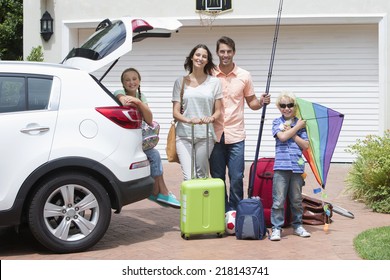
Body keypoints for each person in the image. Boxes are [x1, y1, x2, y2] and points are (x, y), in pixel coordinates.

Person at [209, 36, 271, 211]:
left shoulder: (244, 76)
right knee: (217, 177)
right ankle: (221, 212)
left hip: (236, 135)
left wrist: (261, 101)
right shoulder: (210, 74)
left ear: (234, 52)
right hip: (214, 135)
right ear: (217, 52)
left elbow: (252, 104)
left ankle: (235, 213)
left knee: (236, 177)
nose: (225, 55)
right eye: (222, 51)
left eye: (229, 51)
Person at [114, 67, 180, 208]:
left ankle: (160, 191)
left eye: (134, 79)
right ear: (123, 83)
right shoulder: (119, 93)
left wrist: (138, 102)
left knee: (155, 154)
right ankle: (160, 192)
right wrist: (134, 102)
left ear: (139, 81)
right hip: (127, 141)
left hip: (138, 139)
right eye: (127, 80)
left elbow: (149, 119)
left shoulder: (141, 97)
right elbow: (124, 101)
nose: (131, 82)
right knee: (155, 155)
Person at [172, 44, 222, 180]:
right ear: (192, 58)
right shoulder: (180, 82)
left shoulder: (215, 82)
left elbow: (218, 111)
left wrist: (211, 118)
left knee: (202, 176)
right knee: (189, 177)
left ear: (208, 61)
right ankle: (188, 202)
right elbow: (175, 112)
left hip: (205, 135)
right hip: (184, 135)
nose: (200, 58)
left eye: (204, 56)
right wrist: (189, 120)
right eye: (198, 55)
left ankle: (201, 202)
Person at [270, 91, 311, 241]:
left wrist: (293, 132)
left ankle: (298, 225)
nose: (286, 108)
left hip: (297, 165)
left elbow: (305, 145)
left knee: (296, 199)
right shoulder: (276, 122)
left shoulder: (301, 124)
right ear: (279, 107)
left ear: (294, 106)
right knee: (278, 199)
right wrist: (295, 129)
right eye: (283, 105)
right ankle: (276, 228)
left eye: (290, 105)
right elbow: (281, 137)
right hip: (281, 166)